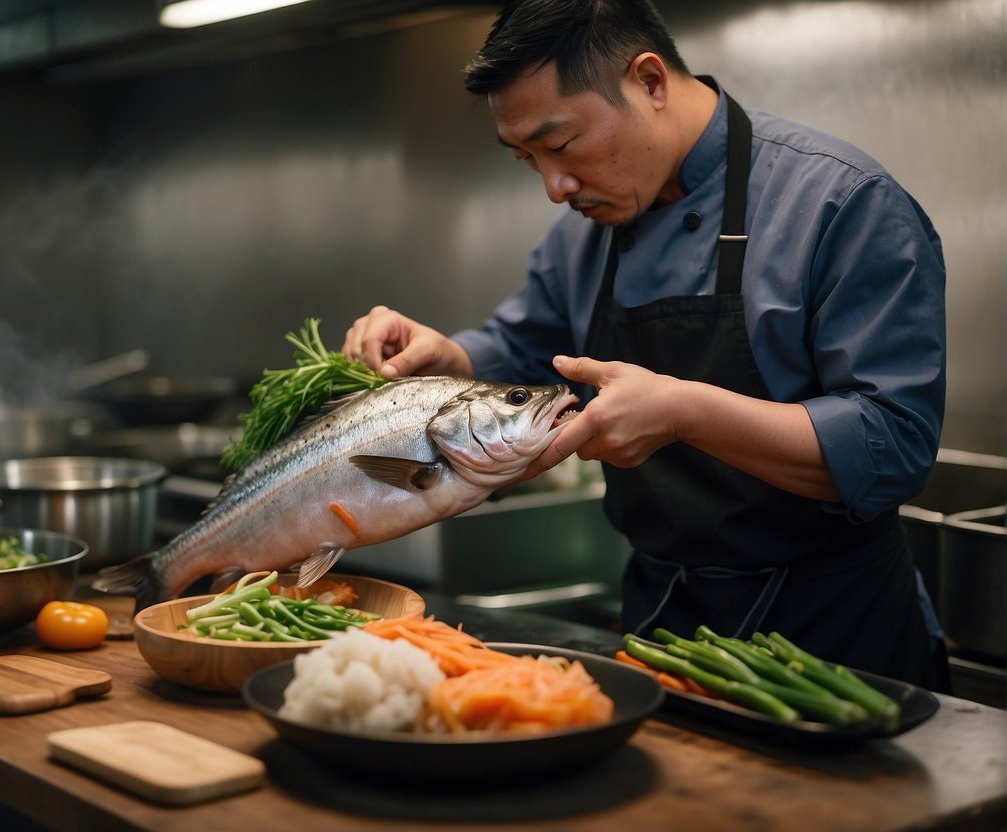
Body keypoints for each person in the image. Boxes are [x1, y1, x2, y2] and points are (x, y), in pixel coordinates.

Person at [342, 0, 949, 690]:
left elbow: (891, 446)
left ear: (650, 82)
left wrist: (683, 413)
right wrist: (450, 357)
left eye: (561, 145)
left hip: (836, 635)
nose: (554, 187)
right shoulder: (584, 229)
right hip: (661, 626)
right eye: (526, 159)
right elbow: (522, 343)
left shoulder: (842, 203)